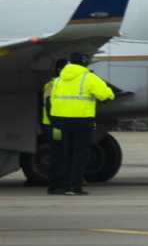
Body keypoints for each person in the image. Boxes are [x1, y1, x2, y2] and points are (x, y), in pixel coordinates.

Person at [44, 51, 116, 195]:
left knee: (65, 153)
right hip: (81, 121)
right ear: (84, 62)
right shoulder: (88, 77)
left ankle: (61, 186)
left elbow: (50, 102)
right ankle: (74, 187)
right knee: (80, 154)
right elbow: (107, 95)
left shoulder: (58, 80)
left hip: (60, 121)